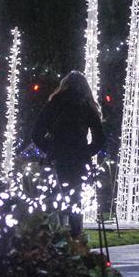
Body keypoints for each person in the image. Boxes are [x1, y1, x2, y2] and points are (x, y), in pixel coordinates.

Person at [31, 70, 105, 239]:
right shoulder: (86, 105)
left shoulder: (55, 103)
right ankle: (76, 238)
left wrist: (50, 150)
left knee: (53, 201)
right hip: (79, 160)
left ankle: (55, 240)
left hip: (57, 159)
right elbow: (100, 138)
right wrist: (86, 152)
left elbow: (36, 133)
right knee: (75, 202)